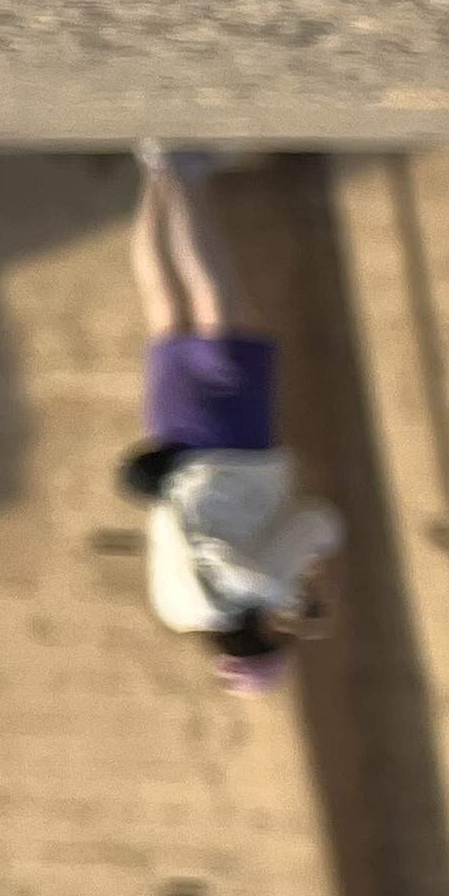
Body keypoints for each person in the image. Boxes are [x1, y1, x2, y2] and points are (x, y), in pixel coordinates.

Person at [118, 146, 339, 692]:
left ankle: (181, 174)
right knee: (165, 312)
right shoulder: (175, 610)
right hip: (172, 450)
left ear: (269, 634)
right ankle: (155, 178)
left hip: (234, 444)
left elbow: (320, 522)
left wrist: (303, 586)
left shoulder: (264, 588)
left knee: (221, 310)